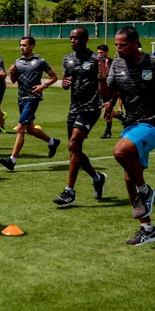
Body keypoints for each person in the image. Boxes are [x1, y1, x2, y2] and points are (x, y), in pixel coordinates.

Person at [99, 26, 155, 246]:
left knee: (119, 151)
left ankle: (146, 191)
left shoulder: (154, 62)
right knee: (129, 178)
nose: (118, 49)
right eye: (116, 45)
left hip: (153, 123)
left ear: (136, 43)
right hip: (131, 124)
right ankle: (148, 229)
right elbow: (110, 91)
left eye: (123, 45)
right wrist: (106, 95)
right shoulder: (116, 63)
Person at [52, 28, 106, 205]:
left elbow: (105, 82)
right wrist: (65, 83)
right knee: (73, 148)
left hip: (91, 107)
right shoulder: (67, 59)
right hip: (74, 107)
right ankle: (97, 178)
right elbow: (66, 83)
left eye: (76, 38)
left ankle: (69, 191)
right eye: (71, 38)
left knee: (74, 143)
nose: (72, 41)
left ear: (86, 39)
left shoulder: (95, 59)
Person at [0, 36, 61, 171]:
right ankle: (52, 142)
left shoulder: (40, 62)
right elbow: (14, 81)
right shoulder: (18, 62)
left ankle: (12, 160)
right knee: (30, 129)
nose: (22, 47)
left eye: (25, 45)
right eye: (21, 45)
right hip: (21, 99)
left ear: (32, 46)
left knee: (20, 129)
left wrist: (43, 86)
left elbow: (54, 77)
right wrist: (12, 72)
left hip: (33, 99)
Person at [97, 44, 115, 139]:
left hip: (111, 89)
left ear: (106, 52)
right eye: (98, 53)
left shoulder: (112, 62)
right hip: (101, 89)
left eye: (101, 52)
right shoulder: (97, 62)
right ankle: (121, 116)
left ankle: (108, 131)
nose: (99, 55)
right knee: (105, 109)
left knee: (108, 109)